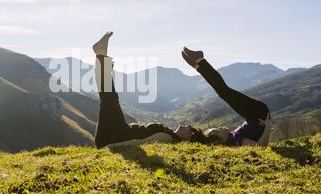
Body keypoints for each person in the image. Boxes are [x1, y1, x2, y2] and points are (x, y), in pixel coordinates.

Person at [93, 32, 271, 149]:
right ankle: (101, 56)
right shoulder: (233, 140)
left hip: (113, 137)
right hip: (259, 116)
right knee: (109, 99)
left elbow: (139, 142)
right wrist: (266, 127)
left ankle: (101, 57)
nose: (186, 125)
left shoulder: (170, 138)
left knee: (109, 100)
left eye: (216, 130)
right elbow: (258, 147)